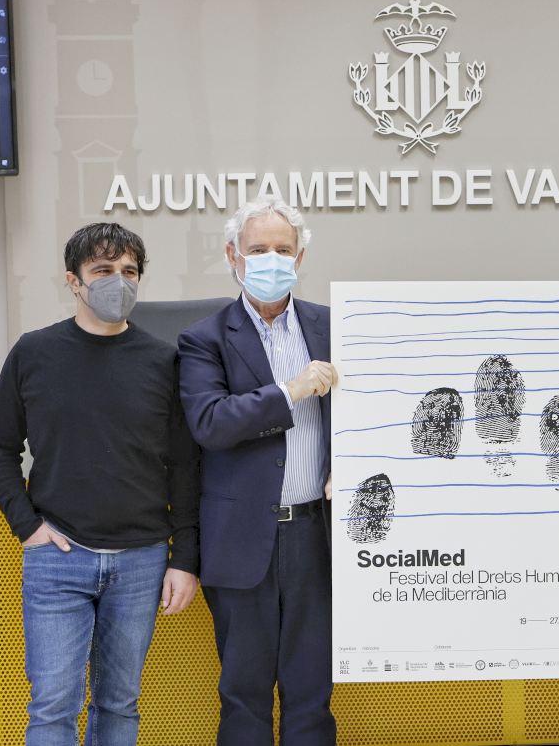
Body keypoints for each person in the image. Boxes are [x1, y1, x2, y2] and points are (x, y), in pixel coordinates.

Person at [0, 223, 200, 745]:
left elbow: (184, 465)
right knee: (53, 705)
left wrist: (185, 557)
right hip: (58, 555)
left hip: (142, 559)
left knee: (119, 703)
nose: (117, 281)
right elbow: (1, 448)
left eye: (129, 271)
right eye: (102, 270)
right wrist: (27, 527)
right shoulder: (33, 353)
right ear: (73, 280)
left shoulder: (164, 361)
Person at [178, 196, 337, 745]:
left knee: (312, 690)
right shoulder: (204, 338)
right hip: (243, 538)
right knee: (243, 695)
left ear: (300, 258)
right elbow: (211, 422)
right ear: (233, 256)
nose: (272, 259)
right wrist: (291, 391)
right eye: (259, 249)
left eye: (283, 250)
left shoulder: (332, 326)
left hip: (316, 534)